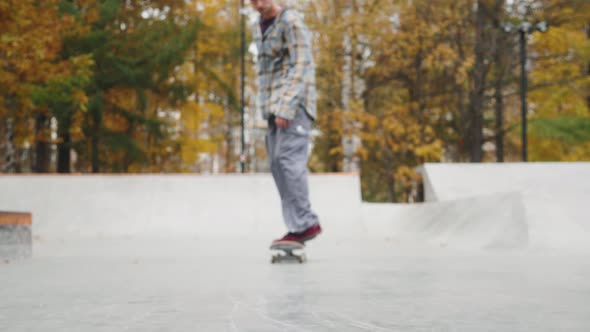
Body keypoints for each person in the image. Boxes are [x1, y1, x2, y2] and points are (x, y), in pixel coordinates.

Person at [251, 0, 322, 244]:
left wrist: (287, 106)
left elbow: (301, 64)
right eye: (253, 1)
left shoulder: (290, 22)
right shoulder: (259, 26)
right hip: (272, 107)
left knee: (289, 161)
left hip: (293, 106)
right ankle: (297, 225)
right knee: (276, 164)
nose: (259, 4)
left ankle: (305, 223)